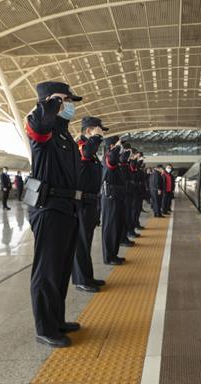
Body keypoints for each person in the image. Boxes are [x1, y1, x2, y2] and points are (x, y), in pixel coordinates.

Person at [25, 81, 84, 348]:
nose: (69, 105)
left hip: (66, 208)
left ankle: (56, 319)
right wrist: (49, 104)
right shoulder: (42, 127)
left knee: (60, 270)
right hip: (48, 208)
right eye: (64, 99)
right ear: (50, 101)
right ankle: (45, 328)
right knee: (47, 270)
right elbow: (38, 126)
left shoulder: (64, 134)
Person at [72, 117, 107, 293]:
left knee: (87, 242)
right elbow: (84, 154)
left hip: (91, 201)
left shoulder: (91, 150)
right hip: (81, 202)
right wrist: (96, 139)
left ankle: (87, 276)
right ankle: (80, 279)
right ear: (88, 131)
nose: (101, 135)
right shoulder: (80, 145)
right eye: (99, 131)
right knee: (80, 242)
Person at [100, 136, 126, 265]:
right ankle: (108, 256)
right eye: (118, 145)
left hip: (116, 197)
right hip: (110, 197)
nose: (121, 148)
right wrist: (117, 147)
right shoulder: (108, 157)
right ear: (111, 147)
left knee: (116, 226)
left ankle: (113, 254)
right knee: (110, 227)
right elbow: (112, 159)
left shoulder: (115, 159)